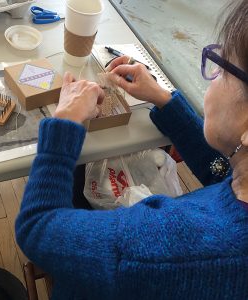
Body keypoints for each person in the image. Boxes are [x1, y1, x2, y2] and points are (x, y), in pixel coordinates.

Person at [15, 1, 248, 299]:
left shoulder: (165, 248)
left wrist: (65, 121)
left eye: (221, 66)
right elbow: (221, 172)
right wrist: (163, 99)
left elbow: (38, 227)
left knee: (78, 179)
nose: (211, 77)